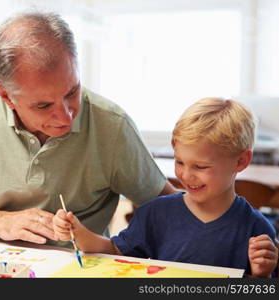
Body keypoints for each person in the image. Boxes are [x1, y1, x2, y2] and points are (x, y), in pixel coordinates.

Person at [0, 11, 176, 246]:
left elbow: (169, 210)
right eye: (44, 105)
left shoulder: (112, 125)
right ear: (6, 96)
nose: (66, 116)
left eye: (72, 92)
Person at [53, 97, 278, 277]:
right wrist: (78, 232)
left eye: (200, 166)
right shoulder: (156, 213)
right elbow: (113, 251)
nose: (186, 175)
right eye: (179, 162)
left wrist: (262, 276)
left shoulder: (257, 229)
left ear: (240, 162)